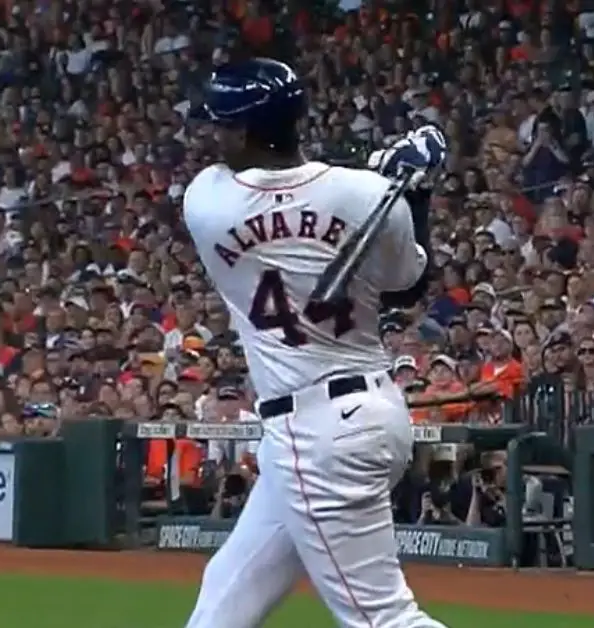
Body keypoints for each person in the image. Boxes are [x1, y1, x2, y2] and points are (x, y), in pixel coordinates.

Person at [180, 58, 445, 628]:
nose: (214, 136)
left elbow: (290, 197)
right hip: (366, 411)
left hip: (317, 432)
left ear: (246, 131)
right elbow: (408, 286)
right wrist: (413, 194)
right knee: (225, 595)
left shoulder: (208, 203)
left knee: (384, 619)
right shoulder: (369, 195)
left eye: (222, 125)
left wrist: (388, 188)